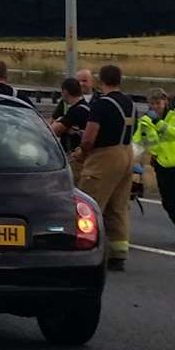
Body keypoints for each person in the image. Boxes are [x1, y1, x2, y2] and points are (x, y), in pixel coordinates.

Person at [75, 63, 136, 270]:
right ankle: (118, 254)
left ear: (101, 81)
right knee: (118, 206)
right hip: (127, 153)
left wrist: (82, 152)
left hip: (105, 156)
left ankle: (85, 251)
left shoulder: (101, 104)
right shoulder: (130, 103)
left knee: (89, 205)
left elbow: (90, 136)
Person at [134, 87, 175, 249]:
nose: (155, 106)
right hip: (163, 164)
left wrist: (158, 122)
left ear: (165, 102)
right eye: (152, 103)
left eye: (158, 103)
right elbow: (140, 142)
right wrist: (131, 157)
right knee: (168, 202)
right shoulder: (146, 120)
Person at [50, 77, 89, 153]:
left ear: (65, 92)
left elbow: (53, 131)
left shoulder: (75, 111)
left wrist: (59, 119)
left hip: (75, 154)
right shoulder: (86, 107)